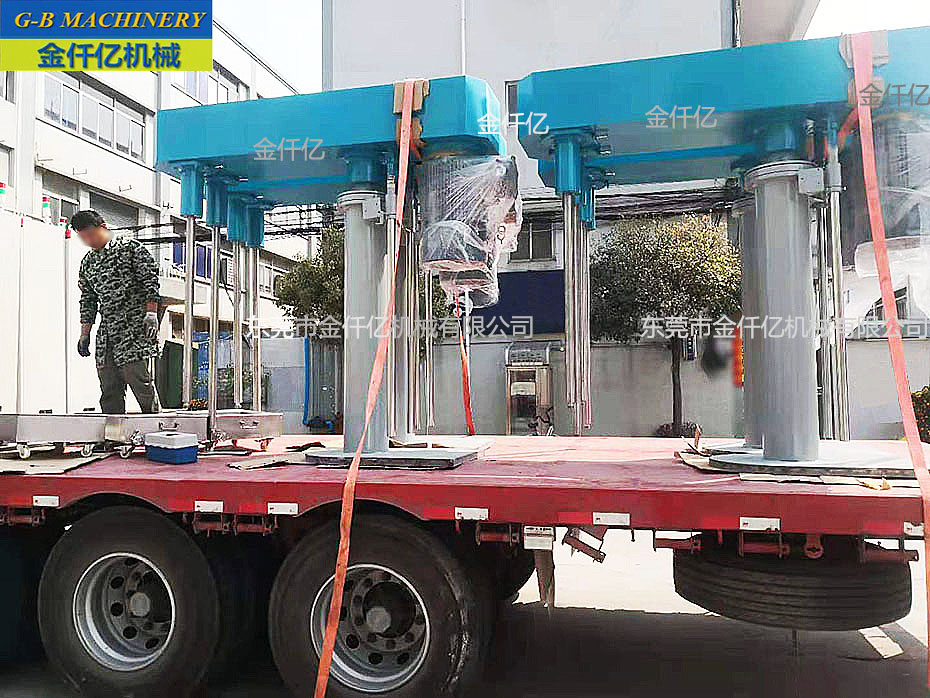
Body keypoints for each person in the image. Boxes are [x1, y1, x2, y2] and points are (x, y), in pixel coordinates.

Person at [72, 210, 161, 414]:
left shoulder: (130, 248)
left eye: (91, 234)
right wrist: (84, 334)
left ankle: (156, 427)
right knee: (108, 383)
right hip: (107, 332)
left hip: (133, 326)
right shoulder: (88, 263)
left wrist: (151, 313)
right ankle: (113, 431)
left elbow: (150, 281)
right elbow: (88, 300)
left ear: (103, 227)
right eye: (83, 237)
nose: (88, 241)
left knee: (138, 379)